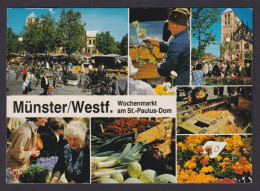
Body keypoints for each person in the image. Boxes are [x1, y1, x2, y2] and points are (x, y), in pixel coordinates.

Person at [143, 8, 190, 85]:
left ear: (175, 25)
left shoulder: (177, 42)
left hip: (177, 82)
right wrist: (153, 42)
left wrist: (159, 66)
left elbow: (168, 66)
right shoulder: (186, 36)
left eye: (169, 25)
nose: (168, 28)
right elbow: (172, 48)